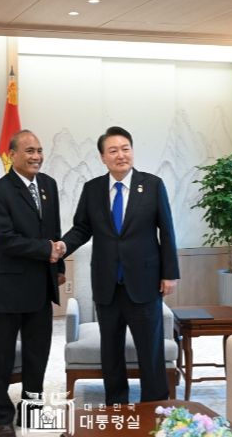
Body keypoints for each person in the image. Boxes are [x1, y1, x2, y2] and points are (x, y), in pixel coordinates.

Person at [57, 126, 180, 404]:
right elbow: (81, 228)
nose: (120, 155)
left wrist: (170, 273)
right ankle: (116, 404)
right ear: (103, 157)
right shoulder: (92, 189)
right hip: (107, 284)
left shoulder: (152, 185)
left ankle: (155, 405)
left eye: (125, 149)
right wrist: (63, 247)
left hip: (145, 282)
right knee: (110, 350)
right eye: (113, 150)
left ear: (132, 151)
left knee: (150, 348)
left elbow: (167, 230)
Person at [0, 130, 66, 437]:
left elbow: (54, 229)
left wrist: (58, 267)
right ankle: (1, 417)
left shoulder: (48, 185)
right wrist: (46, 250)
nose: (37, 157)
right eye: (30, 151)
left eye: (40, 150)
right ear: (12, 155)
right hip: (8, 289)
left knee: (37, 355)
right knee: (1, 358)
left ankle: (32, 409)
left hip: (41, 286)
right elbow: (4, 239)